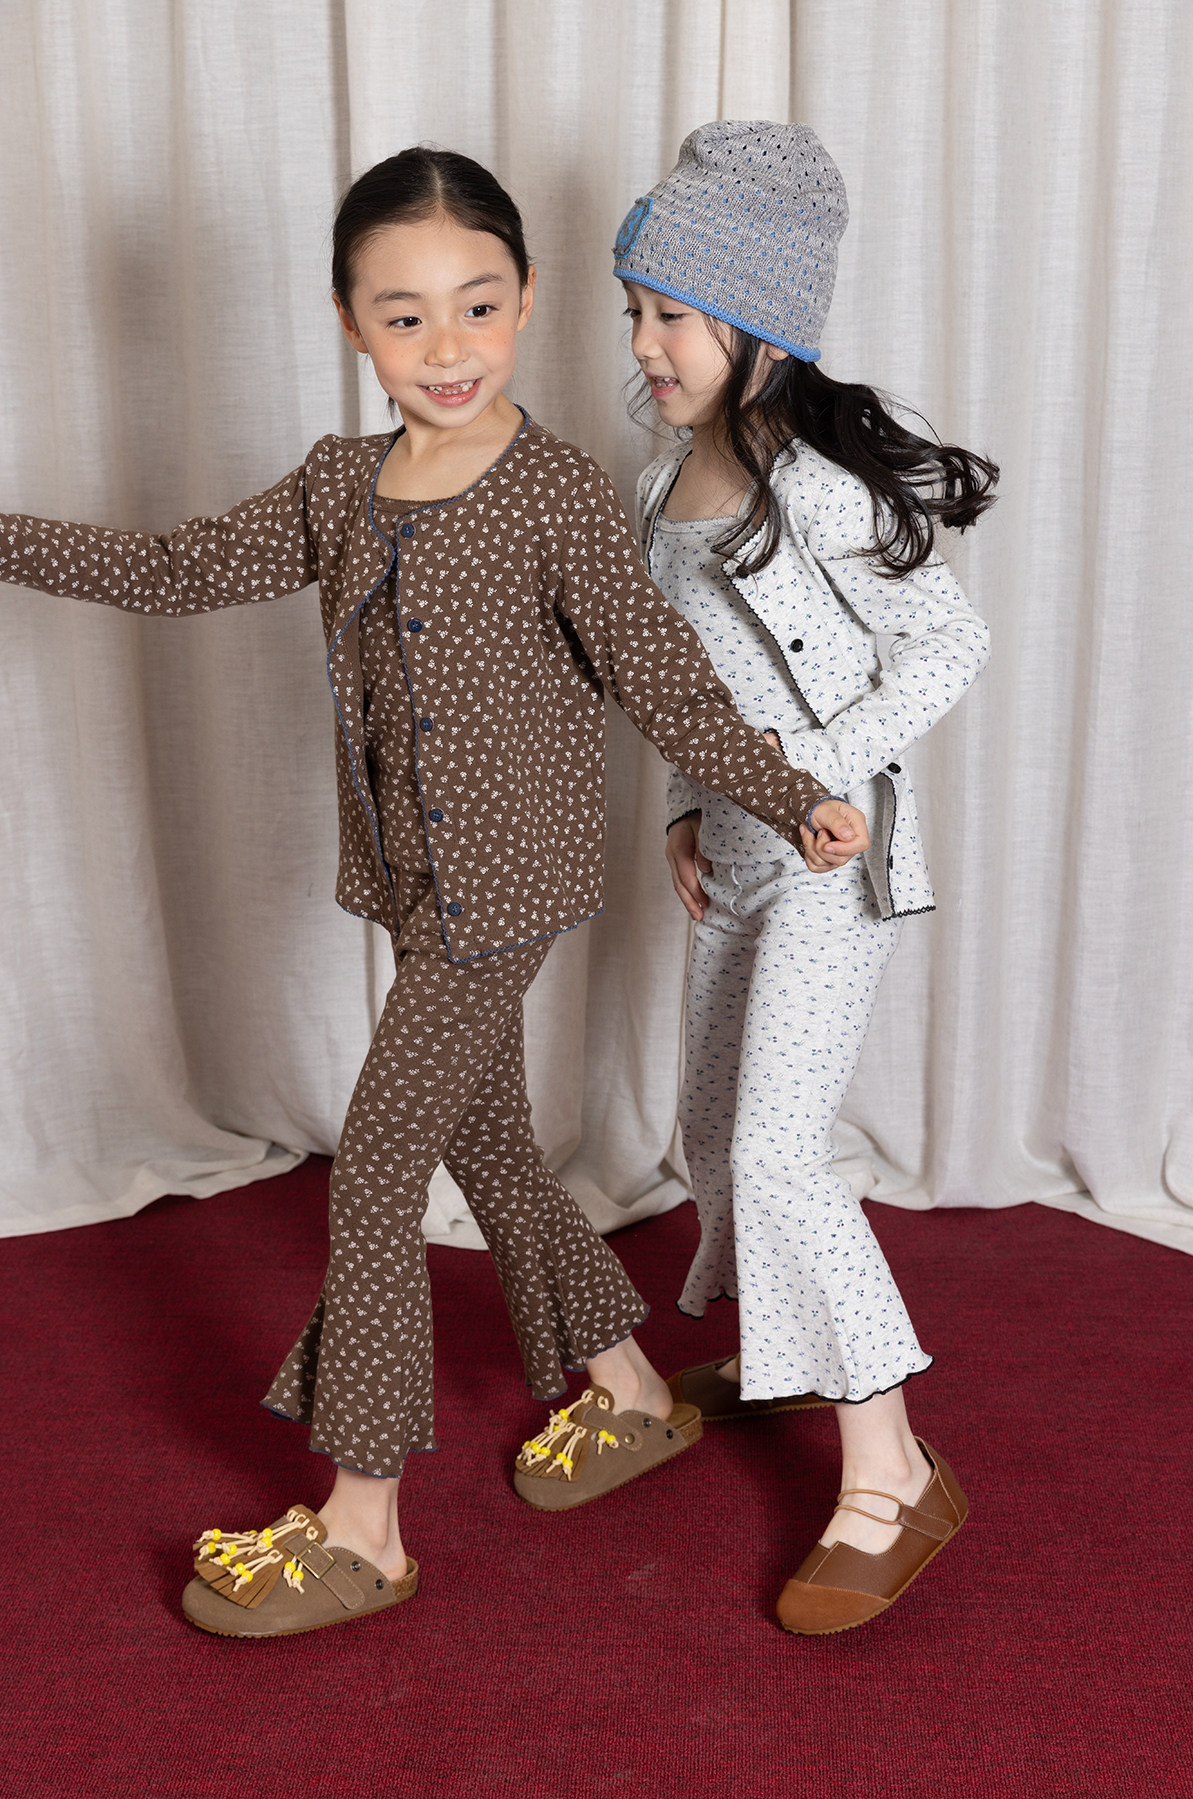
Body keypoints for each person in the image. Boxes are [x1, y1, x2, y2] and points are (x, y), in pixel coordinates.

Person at [0, 145, 868, 1639]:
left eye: (477, 305)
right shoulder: (340, 486)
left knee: (380, 1163)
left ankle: (364, 1526)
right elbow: (177, 567)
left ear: (527, 302)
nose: (447, 347)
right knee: (494, 1148)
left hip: (510, 887)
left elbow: (665, 679)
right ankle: (628, 1387)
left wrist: (791, 794)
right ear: (349, 322)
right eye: (404, 317)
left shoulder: (556, 494)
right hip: (412, 882)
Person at [610, 120, 996, 1636]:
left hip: (835, 859)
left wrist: (822, 773)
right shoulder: (665, 483)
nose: (643, 343)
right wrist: (684, 808)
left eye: (672, 314)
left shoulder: (815, 486)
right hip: (738, 850)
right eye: (634, 309)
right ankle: (784, 1345)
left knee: (777, 1152)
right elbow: (685, 681)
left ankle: (894, 1470)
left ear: (760, 330)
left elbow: (947, 643)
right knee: (710, 1127)